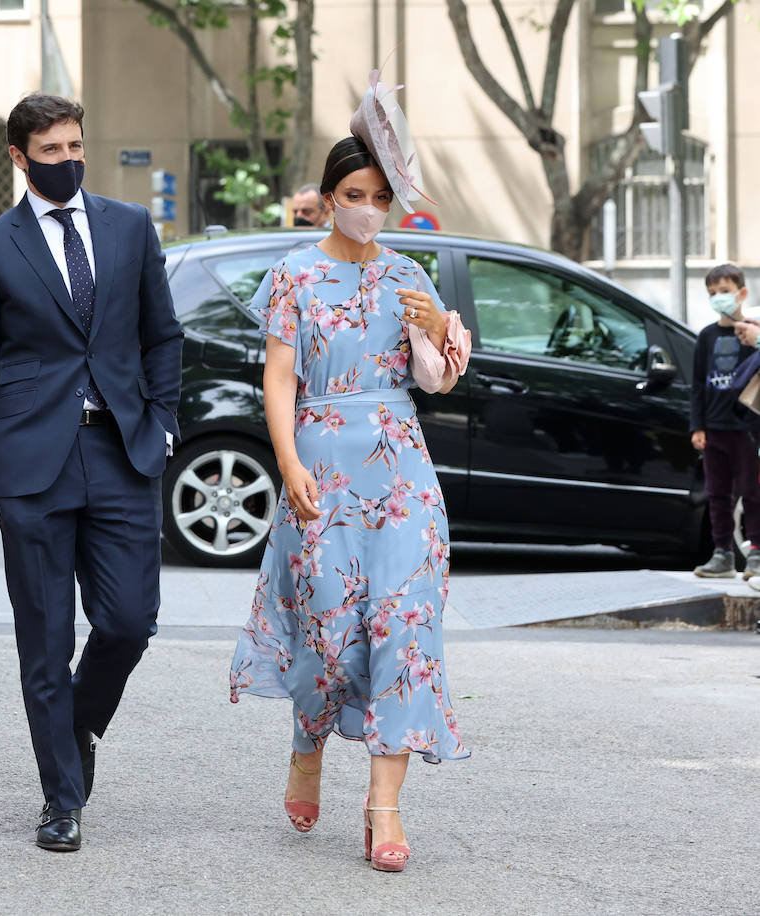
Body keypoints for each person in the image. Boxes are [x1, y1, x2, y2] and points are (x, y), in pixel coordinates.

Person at [228, 75, 471, 874]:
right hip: (322, 468)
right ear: (328, 198)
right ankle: (308, 746)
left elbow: (435, 381)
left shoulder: (408, 276)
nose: (370, 208)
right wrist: (289, 462)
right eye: (354, 194)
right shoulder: (295, 275)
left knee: (404, 629)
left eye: (380, 196)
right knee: (331, 637)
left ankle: (385, 808)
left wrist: (441, 333)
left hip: (401, 470)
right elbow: (278, 379)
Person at [0, 94, 184, 852]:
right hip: (28, 466)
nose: (67, 160)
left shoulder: (130, 228)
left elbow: (162, 335)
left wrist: (165, 418)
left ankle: (77, 724)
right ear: (19, 158)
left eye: (75, 145)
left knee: (127, 622)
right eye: (50, 151)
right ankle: (61, 799)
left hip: (121, 452)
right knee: (44, 638)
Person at [690, 264, 760, 578]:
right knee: (717, 493)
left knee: (753, 491)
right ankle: (722, 553)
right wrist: (697, 425)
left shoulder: (752, 332)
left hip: (746, 429)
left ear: (742, 293)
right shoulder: (706, 336)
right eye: (713, 293)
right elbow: (697, 385)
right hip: (714, 428)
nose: (719, 298)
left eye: (725, 292)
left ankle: (756, 551)